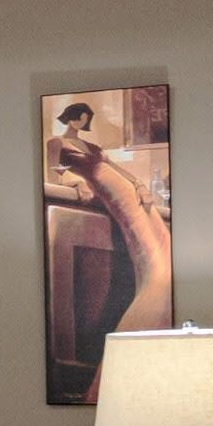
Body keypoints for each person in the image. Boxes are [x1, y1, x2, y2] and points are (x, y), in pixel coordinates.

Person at [51, 100, 172, 398]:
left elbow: (116, 169)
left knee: (164, 262)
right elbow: (56, 170)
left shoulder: (91, 146)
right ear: (72, 117)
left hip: (127, 192)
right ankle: (116, 383)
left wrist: (140, 186)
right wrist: (74, 181)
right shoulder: (57, 141)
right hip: (106, 192)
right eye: (82, 116)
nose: (84, 121)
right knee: (160, 275)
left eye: (86, 118)